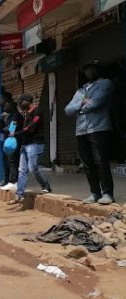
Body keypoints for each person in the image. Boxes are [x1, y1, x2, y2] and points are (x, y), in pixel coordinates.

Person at [65, 60, 115, 204]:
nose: (89, 72)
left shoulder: (105, 83)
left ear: (98, 70)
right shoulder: (81, 90)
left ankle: (108, 194)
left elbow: (96, 102)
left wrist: (79, 107)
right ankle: (94, 192)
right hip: (81, 130)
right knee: (87, 163)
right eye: (87, 69)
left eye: (92, 69)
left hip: (98, 128)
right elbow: (68, 110)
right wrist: (83, 102)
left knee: (101, 161)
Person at [11, 95, 52, 204]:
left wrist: (17, 133)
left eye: (21, 102)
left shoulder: (37, 111)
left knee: (33, 167)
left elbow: (30, 127)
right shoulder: (26, 113)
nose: (19, 105)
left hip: (35, 144)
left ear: (27, 101)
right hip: (25, 144)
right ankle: (19, 194)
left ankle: (46, 185)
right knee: (22, 170)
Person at [0, 98, 23, 191]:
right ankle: (7, 180)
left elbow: (11, 130)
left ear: (11, 104)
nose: (4, 107)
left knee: (12, 161)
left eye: (6, 105)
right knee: (7, 161)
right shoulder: (8, 116)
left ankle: (13, 181)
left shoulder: (16, 116)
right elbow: (2, 130)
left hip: (14, 142)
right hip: (8, 142)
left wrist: (4, 127)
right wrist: (2, 123)